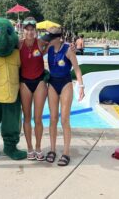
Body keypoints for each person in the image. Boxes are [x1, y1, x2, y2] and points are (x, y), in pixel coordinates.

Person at [46, 27, 85, 166]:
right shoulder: (48, 48)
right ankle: (52, 149)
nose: (47, 40)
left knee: (64, 119)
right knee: (53, 119)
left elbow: (77, 69)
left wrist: (81, 87)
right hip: (52, 84)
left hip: (65, 84)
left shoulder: (68, 50)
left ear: (57, 38)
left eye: (50, 38)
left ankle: (66, 152)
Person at [19, 17, 49, 161]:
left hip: (39, 82)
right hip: (24, 83)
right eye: (27, 29)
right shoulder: (18, 44)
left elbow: (57, 42)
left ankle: (38, 147)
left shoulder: (40, 42)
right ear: (23, 30)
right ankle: (29, 148)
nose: (30, 32)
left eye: (32, 29)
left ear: (35, 31)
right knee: (27, 118)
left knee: (38, 118)